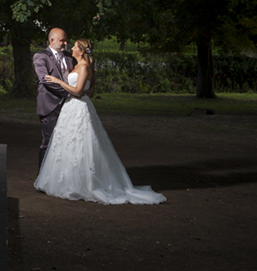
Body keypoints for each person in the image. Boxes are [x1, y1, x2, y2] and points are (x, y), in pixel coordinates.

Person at [34, 39, 166, 205]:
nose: (71, 48)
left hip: (79, 107)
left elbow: (78, 91)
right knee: (67, 142)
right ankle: (67, 181)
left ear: (81, 51)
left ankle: (87, 184)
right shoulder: (76, 65)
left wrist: (58, 81)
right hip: (69, 108)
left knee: (83, 143)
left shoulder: (84, 67)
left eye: (74, 46)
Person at [32, 28, 77, 168]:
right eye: (62, 40)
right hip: (49, 105)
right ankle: (42, 177)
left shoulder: (70, 57)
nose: (65, 43)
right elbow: (45, 80)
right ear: (52, 40)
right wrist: (70, 93)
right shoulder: (41, 56)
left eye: (66, 40)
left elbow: (83, 73)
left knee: (68, 141)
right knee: (49, 141)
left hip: (70, 106)